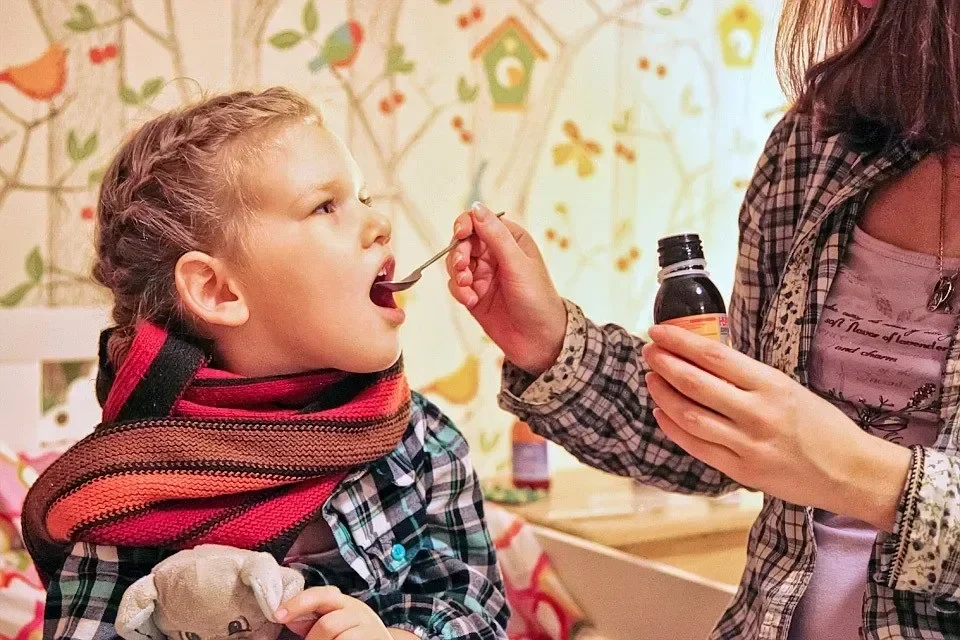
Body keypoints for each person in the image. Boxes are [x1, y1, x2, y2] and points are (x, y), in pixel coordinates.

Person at [445, 0, 960, 638]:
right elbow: (724, 436)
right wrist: (549, 342)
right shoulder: (816, 146)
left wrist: (863, 475)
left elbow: (799, 448)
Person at [21, 87, 508, 640]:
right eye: (325, 206)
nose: (380, 224)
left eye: (364, 198)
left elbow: (477, 612)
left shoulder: (424, 443)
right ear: (218, 290)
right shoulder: (123, 490)